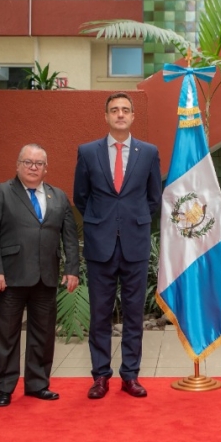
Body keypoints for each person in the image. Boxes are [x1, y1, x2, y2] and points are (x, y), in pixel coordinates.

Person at [73, 92, 162, 399]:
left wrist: (130, 220)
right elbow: (80, 197)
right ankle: (100, 376)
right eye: (114, 110)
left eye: (125, 110)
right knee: (100, 314)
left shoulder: (148, 152)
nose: (120, 114)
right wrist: (103, 222)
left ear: (133, 116)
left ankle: (130, 375)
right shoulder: (88, 152)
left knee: (134, 314)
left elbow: (154, 198)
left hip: (135, 245)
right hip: (100, 246)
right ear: (106, 117)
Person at [0, 144, 80, 407]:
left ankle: (37, 384)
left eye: (39, 164)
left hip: (46, 278)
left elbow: (69, 237)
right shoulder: (0, 193)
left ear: (46, 168)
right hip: (9, 278)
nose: (33, 167)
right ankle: (3, 387)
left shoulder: (57, 196)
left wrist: (71, 269)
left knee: (43, 335)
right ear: (17, 165)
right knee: (5, 335)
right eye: (28, 162)